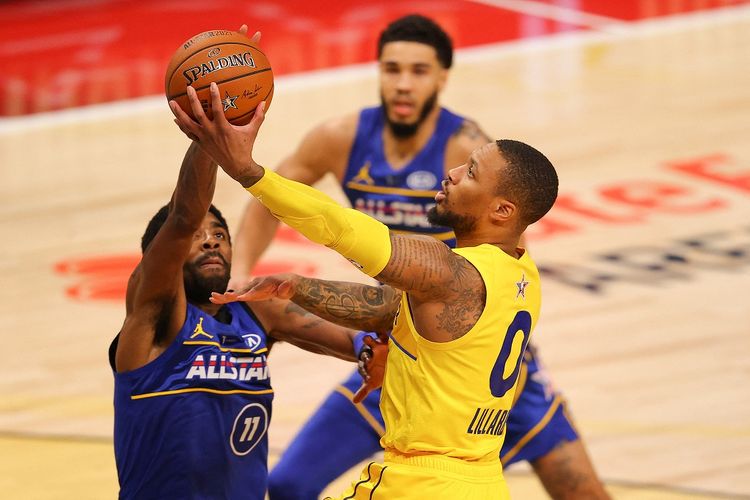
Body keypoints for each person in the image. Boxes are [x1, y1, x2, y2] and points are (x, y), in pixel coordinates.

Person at [229, 15, 609, 500]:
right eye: (392, 69)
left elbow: (501, 274)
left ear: (443, 77)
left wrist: (244, 167)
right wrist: (250, 273)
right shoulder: (339, 137)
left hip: (470, 352)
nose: (403, 84)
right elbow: (274, 210)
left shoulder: (471, 148)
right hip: (400, 338)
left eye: (418, 71)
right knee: (287, 485)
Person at [171, 70, 562, 497]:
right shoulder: (521, 274)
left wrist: (249, 171)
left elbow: (343, 227)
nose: (450, 172)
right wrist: (297, 286)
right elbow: (387, 307)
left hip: (419, 483)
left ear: (502, 211)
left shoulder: (450, 272)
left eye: (469, 172)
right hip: (483, 482)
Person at [109, 135, 369, 497]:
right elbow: (183, 216)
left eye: (219, 234)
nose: (211, 241)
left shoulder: (256, 313)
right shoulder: (154, 319)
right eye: (196, 237)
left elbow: (352, 341)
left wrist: (370, 349)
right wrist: (211, 136)